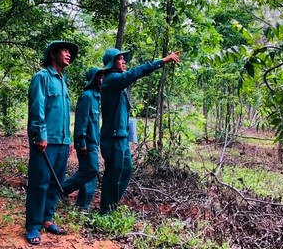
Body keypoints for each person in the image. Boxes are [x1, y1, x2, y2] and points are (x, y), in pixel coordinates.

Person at [99, 48, 181, 214]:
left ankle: (111, 205)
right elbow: (136, 73)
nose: (124, 62)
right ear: (111, 63)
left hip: (121, 137)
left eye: (124, 59)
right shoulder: (111, 79)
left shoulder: (118, 85)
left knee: (126, 170)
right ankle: (106, 210)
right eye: (120, 59)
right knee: (113, 174)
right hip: (112, 137)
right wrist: (162, 61)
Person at [24, 40, 78, 245]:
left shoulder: (63, 81)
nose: (68, 54)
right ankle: (33, 226)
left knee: (56, 184)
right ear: (53, 54)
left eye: (69, 52)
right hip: (46, 141)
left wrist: (69, 139)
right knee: (40, 183)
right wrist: (40, 135)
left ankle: (47, 219)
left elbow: (64, 114)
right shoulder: (42, 77)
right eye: (64, 50)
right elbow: (37, 108)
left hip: (62, 142)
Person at [61, 67, 104, 210]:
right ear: (93, 80)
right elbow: (81, 121)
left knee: (90, 173)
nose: (102, 80)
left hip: (93, 142)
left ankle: (82, 205)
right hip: (86, 142)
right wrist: (81, 142)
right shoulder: (87, 96)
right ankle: (62, 189)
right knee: (91, 170)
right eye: (99, 77)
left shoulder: (96, 97)